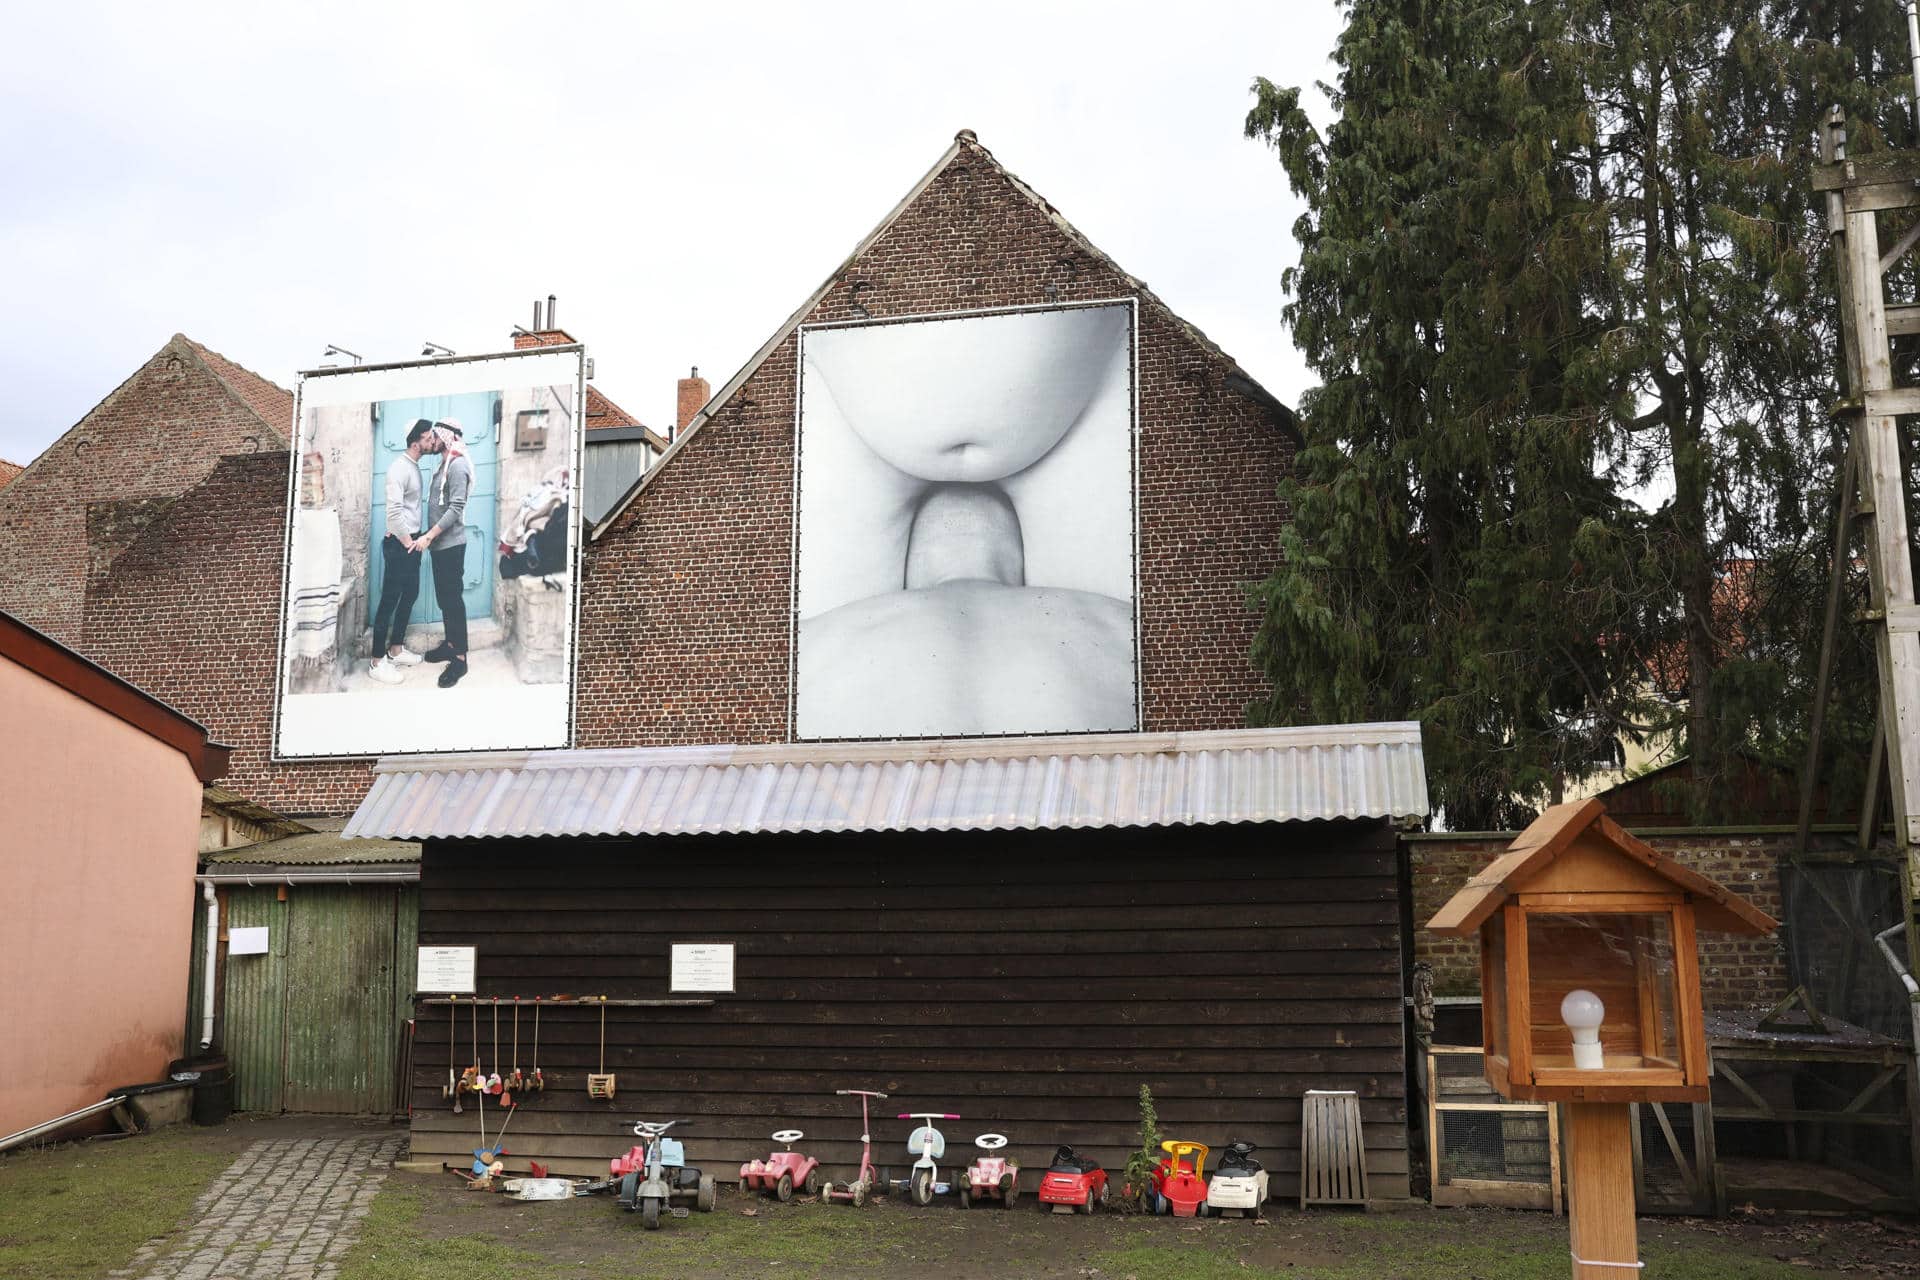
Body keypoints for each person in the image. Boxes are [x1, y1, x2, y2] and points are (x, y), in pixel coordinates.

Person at [367, 420, 441, 685]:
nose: (432, 441)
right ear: (415, 442)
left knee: (410, 594)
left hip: (410, 542)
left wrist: (415, 540)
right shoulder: (398, 468)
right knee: (389, 601)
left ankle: (396, 649)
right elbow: (393, 513)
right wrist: (409, 541)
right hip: (401, 544)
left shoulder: (413, 466)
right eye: (428, 437)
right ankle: (377, 661)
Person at [414, 419, 474, 688]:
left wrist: (429, 535)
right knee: (445, 600)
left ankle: (460, 659)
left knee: (452, 601)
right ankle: (451, 645)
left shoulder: (458, 465)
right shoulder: (445, 462)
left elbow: (456, 507)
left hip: (451, 546)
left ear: (446, 437)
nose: (432, 441)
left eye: (435, 436)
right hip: (441, 546)